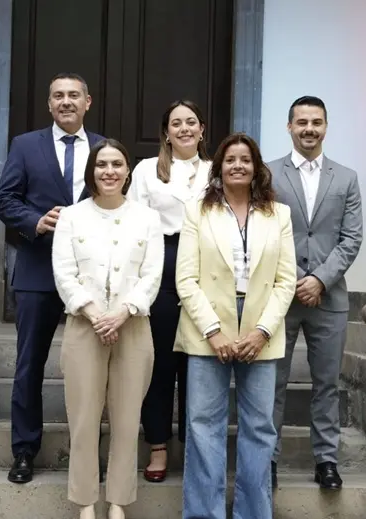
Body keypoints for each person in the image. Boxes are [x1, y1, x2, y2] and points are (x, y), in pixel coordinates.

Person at [174, 132, 296, 519]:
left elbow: (285, 280)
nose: (238, 165)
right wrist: (214, 330)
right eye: (230, 160)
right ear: (219, 167)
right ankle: (203, 514)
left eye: (245, 159)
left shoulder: (280, 214)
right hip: (207, 330)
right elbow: (186, 278)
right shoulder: (198, 211)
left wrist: (261, 331)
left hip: (261, 329)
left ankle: (253, 514)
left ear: (256, 167)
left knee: (259, 429)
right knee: (203, 427)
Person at [0, 73, 104, 484]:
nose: (66, 102)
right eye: (58, 96)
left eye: (74, 95)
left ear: (87, 102)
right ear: (49, 104)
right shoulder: (25, 146)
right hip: (38, 268)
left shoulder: (104, 148)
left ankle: (89, 451)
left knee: (94, 367)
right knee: (29, 365)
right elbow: (4, 199)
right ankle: (24, 450)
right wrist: (34, 221)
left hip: (92, 275)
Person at [52, 139, 163, 519]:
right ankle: (85, 501)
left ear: (128, 171)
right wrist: (95, 313)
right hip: (85, 327)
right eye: (102, 165)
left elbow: (151, 275)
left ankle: (118, 501)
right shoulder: (71, 217)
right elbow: (64, 273)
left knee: (128, 420)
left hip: (133, 327)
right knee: (83, 420)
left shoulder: (147, 219)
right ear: (92, 172)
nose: (109, 171)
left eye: (117, 163)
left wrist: (123, 313)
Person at [268, 95, 363, 490]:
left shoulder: (346, 177)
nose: (309, 128)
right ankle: (267, 460)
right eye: (302, 122)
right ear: (289, 127)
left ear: (326, 127)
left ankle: (326, 461)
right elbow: (262, 232)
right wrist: (290, 278)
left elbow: (351, 237)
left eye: (316, 122)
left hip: (329, 298)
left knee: (327, 384)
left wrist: (320, 279)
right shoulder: (268, 174)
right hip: (279, 296)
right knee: (272, 382)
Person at [127, 99, 211, 482]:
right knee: (160, 364)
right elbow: (134, 224)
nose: (184, 129)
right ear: (166, 131)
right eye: (176, 123)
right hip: (161, 262)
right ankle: (158, 446)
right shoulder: (147, 170)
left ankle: (196, 448)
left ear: (202, 129)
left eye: (191, 122)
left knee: (198, 364)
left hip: (208, 268)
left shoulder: (216, 170)